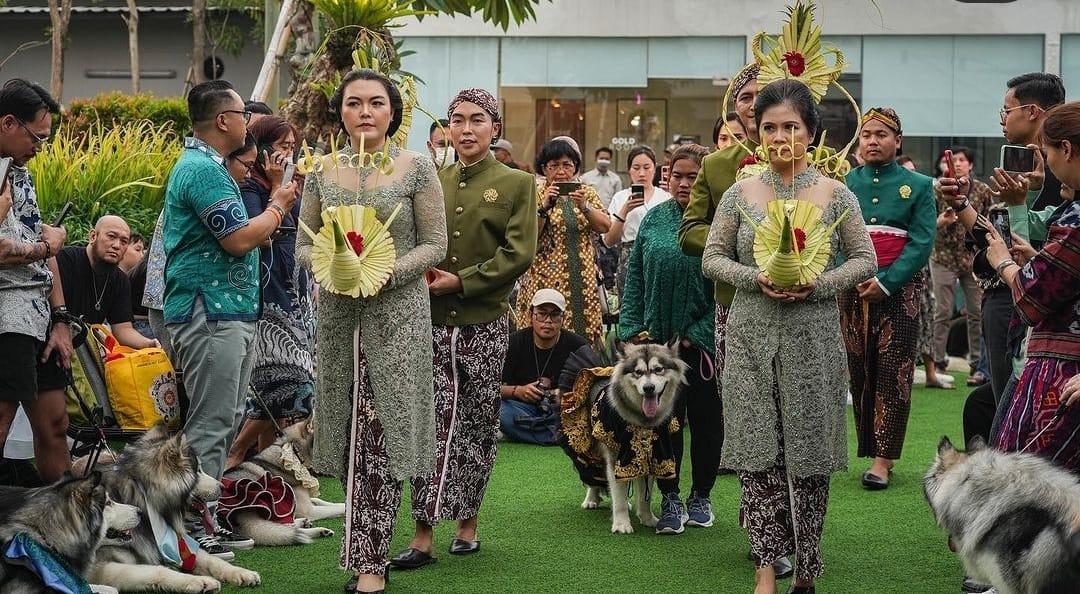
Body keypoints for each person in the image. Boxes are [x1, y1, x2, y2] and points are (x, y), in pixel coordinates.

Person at [701, 79, 876, 594]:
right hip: (752, 334)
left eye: (791, 127)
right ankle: (763, 567)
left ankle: (807, 569)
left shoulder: (834, 192)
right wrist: (752, 278)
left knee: (808, 451)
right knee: (756, 451)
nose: (780, 136)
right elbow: (713, 257)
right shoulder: (739, 192)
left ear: (812, 132)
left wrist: (818, 283)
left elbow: (865, 260)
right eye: (769, 126)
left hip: (813, 339)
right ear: (756, 133)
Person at [297, 69, 446, 593]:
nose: (365, 111)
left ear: (393, 112)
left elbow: (435, 246)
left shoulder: (417, 168)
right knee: (349, 437)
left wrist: (385, 271)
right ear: (340, 111)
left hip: (399, 319)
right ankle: (368, 558)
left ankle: (370, 566)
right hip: (338, 319)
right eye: (354, 102)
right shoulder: (321, 170)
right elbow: (303, 243)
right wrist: (337, 266)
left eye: (376, 103)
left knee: (380, 439)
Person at [393, 87, 536, 570]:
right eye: (458, 120)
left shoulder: (516, 184)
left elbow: (518, 254)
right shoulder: (431, 177)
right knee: (430, 424)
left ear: (495, 127)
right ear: (447, 128)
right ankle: (422, 534)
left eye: (478, 120)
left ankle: (467, 524)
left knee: (476, 423)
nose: (467, 129)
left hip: (484, 321)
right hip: (429, 323)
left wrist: (464, 281)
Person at [161, 79, 296, 550]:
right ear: (223, 121)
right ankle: (189, 530)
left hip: (226, 311)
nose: (247, 122)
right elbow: (238, 239)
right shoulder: (201, 169)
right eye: (241, 114)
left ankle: (205, 521)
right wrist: (278, 206)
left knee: (223, 419)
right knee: (211, 422)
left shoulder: (212, 168)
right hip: (209, 312)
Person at [619, 144, 721, 535]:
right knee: (663, 422)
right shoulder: (653, 220)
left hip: (702, 348)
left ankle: (701, 496)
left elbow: (728, 288)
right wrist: (630, 330)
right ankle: (671, 498)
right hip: (656, 348)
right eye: (676, 175)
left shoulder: (719, 222)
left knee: (706, 422)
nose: (683, 183)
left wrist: (697, 334)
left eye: (693, 176)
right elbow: (636, 281)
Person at [839, 107, 936, 490]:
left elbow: (921, 242)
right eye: (866, 135)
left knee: (893, 376)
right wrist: (852, 275)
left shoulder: (920, 185)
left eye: (882, 134)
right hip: (853, 292)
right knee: (860, 371)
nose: (873, 141)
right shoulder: (844, 183)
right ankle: (867, 448)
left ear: (898, 141)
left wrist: (886, 282)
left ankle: (883, 459)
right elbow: (833, 239)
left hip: (900, 293)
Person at [988, 101, 1080, 472]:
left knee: (1029, 489)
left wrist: (1004, 263)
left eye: (1047, 153)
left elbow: (1032, 297)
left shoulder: (1075, 219)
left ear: (1067, 150)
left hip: (1062, 369)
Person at [224, 115, 314, 472]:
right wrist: (277, 186)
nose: (288, 155)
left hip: (295, 291)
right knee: (288, 384)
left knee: (279, 389)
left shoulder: (294, 186)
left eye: (293, 147)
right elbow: (256, 237)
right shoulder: (250, 188)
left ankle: (265, 474)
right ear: (261, 150)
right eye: (281, 147)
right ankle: (235, 453)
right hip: (268, 296)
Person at [0, 78, 71, 484]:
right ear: (9, 122)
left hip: (39, 311)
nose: (39, 149)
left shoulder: (20, 170)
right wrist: (45, 248)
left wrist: (60, 318)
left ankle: (66, 527)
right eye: (36, 138)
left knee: (55, 422)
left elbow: (44, 242)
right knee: (3, 418)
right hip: (8, 312)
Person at [513, 138, 609, 348]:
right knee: (545, 330)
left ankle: (583, 377)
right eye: (554, 165)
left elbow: (605, 226)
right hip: (544, 279)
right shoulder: (536, 193)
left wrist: (584, 206)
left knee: (583, 336)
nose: (561, 171)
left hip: (582, 280)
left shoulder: (587, 192)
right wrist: (544, 207)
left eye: (567, 165)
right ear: (544, 168)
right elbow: (527, 236)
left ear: (575, 167)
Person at [931, 146, 992, 387]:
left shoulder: (982, 190)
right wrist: (941, 221)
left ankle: (977, 364)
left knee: (976, 312)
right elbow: (927, 223)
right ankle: (937, 361)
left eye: (962, 160)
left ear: (971, 165)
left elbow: (989, 220)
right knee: (943, 312)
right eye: (953, 160)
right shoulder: (938, 191)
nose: (957, 164)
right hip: (943, 257)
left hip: (972, 259)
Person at [54, 216, 157, 350]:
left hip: (84, 350)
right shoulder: (64, 260)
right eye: (111, 237)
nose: (116, 245)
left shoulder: (120, 280)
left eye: (124, 241)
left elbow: (123, 330)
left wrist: (148, 344)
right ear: (93, 236)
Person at [499, 288, 586, 446]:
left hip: (561, 411)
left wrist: (562, 395)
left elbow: (593, 388)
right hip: (522, 409)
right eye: (541, 313)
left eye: (554, 314)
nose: (548, 321)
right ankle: (557, 436)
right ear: (530, 315)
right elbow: (490, 388)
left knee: (583, 416)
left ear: (563, 318)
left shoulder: (578, 346)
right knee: (498, 411)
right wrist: (518, 391)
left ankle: (525, 433)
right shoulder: (513, 343)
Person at [604, 145, 672, 293]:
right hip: (629, 258)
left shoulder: (666, 197)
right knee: (630, 308)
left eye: (647, 167)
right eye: (636, 168)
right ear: (629, 170)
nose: (642, 173)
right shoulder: (620, 197)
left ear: (655, 168)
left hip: (660, 260)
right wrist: (625, 210)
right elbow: (609, 240)